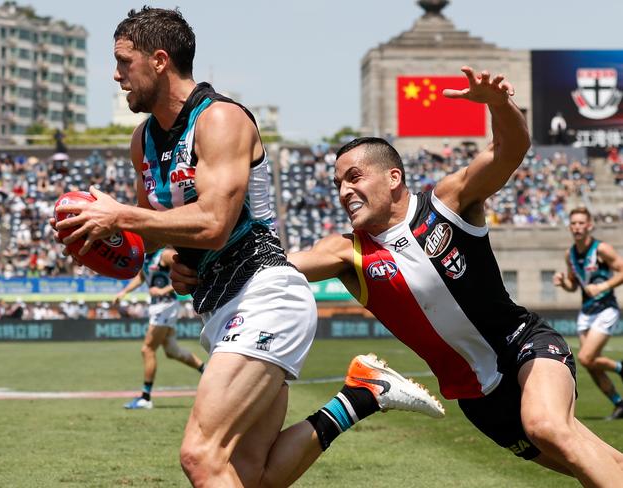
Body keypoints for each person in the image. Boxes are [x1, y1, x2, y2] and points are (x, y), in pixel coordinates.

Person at [173, 67, 623, 485]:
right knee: (587, 464)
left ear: (393, 177)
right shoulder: (347, 252)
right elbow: (269, 270)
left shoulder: (446, 204)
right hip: (477, 399)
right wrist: (193, 266)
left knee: (548, 427)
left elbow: (510, 152)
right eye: (338, 184)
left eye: (354, 177)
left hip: (524, 346)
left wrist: (499, 106)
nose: (345, 191)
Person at [54, 7, 443, 486]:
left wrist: (120, 216)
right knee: (251, 476)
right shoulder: (143, 141)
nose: (115, 75)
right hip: (219, 308)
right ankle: (361, 396)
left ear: (158, 60)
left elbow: (216, 224)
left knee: (201, 456)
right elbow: (153, 231)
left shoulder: (220, 120)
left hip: (265, 295)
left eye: (123, 61)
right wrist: (111, 240)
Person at [553, 207, 623, 420]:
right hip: (586, 311)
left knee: (585, 357)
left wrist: (602, 287)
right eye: (573, 223)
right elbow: (574, 285)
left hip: (606, 308)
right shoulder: (570, 254)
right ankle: (619, 403)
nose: (577, 227)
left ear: (590, 225)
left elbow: (622, 270)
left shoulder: (601, 249)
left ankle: (620, 368)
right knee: (589, 364)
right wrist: (564, 282)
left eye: (581, 223)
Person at [115, 247, 206, 410]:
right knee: (172, 351)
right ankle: (206, 370)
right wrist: (123, 292)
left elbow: (189, 273)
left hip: (166, 306)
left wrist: (164, 290)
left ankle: (145, 397)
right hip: (158, 307)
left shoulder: (165, 255)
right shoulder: (145, 258)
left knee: (147, 349)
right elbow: (142, 277)